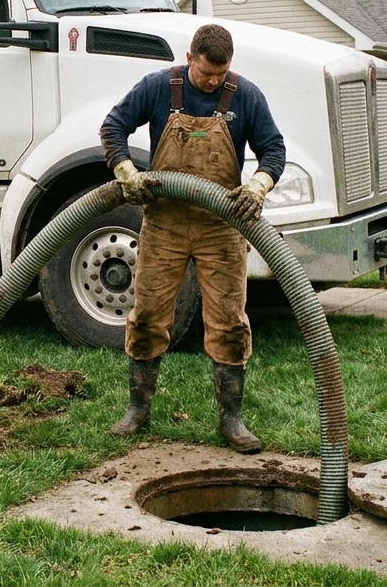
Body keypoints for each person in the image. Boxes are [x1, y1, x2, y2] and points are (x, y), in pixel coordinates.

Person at [98, 23, 285, 453]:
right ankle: (138, 409)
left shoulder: (246, 96)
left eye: (220, 75)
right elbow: (113, 126)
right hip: (165, 222)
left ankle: (231, 420)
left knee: (229, 323)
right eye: (206, 74)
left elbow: (274, 149)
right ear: (190, 58)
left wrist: (258, 185)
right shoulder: (158, 87)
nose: (213, 82)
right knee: (147, 316)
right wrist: (126, 170)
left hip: (220, 227)